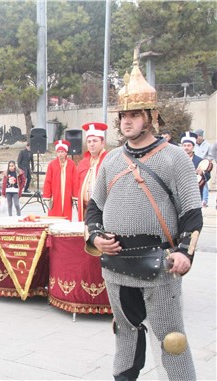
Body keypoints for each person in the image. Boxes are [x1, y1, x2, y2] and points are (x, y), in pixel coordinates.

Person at [85, 56, 202, 381]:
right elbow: (94, 208)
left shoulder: (175, 158)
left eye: (134, 114)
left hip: (159, 263)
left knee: (171, 340)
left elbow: (192, 213)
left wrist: (184, 252)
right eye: (123, 115)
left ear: (151, 117)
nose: (126, 121)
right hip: (116, 264)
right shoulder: (110, 160)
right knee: (125, 334)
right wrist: (95, 236)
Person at [75, 122, 108, 222]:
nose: (91, 144)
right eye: (89, 141)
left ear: (102, 143)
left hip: (102, 209)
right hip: (85, 209)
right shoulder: (83, 163)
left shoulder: (109, 160)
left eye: (95, 141)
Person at [43, 140, 77, 220]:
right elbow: (48, 181)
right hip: (55, 195)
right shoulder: (52, 164)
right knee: (54, 217)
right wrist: (47, 196)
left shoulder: (71, 164)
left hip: (67, 195)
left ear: (66, 153)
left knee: (66, 217)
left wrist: (75, 196)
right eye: (58, 152)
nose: (60, 154)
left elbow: (75, 181)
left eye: (62, 151)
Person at [181, 132, 210, 200]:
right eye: (184, 145)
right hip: (180, 193)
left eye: (188, 145)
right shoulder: (176, 159)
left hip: (196, 194)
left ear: (193, 146)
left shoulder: (200, 160)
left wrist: (202, 173)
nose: (186, 148)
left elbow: (208, 176)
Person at [193, 129, 211, 207]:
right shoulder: (194, 145)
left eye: (199, 136)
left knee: (204, 183)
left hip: (204, 166)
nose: (197, 138)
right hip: (195, 165)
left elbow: (210, 156)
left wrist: (206, 163)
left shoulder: (208, 145)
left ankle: (204, 200)